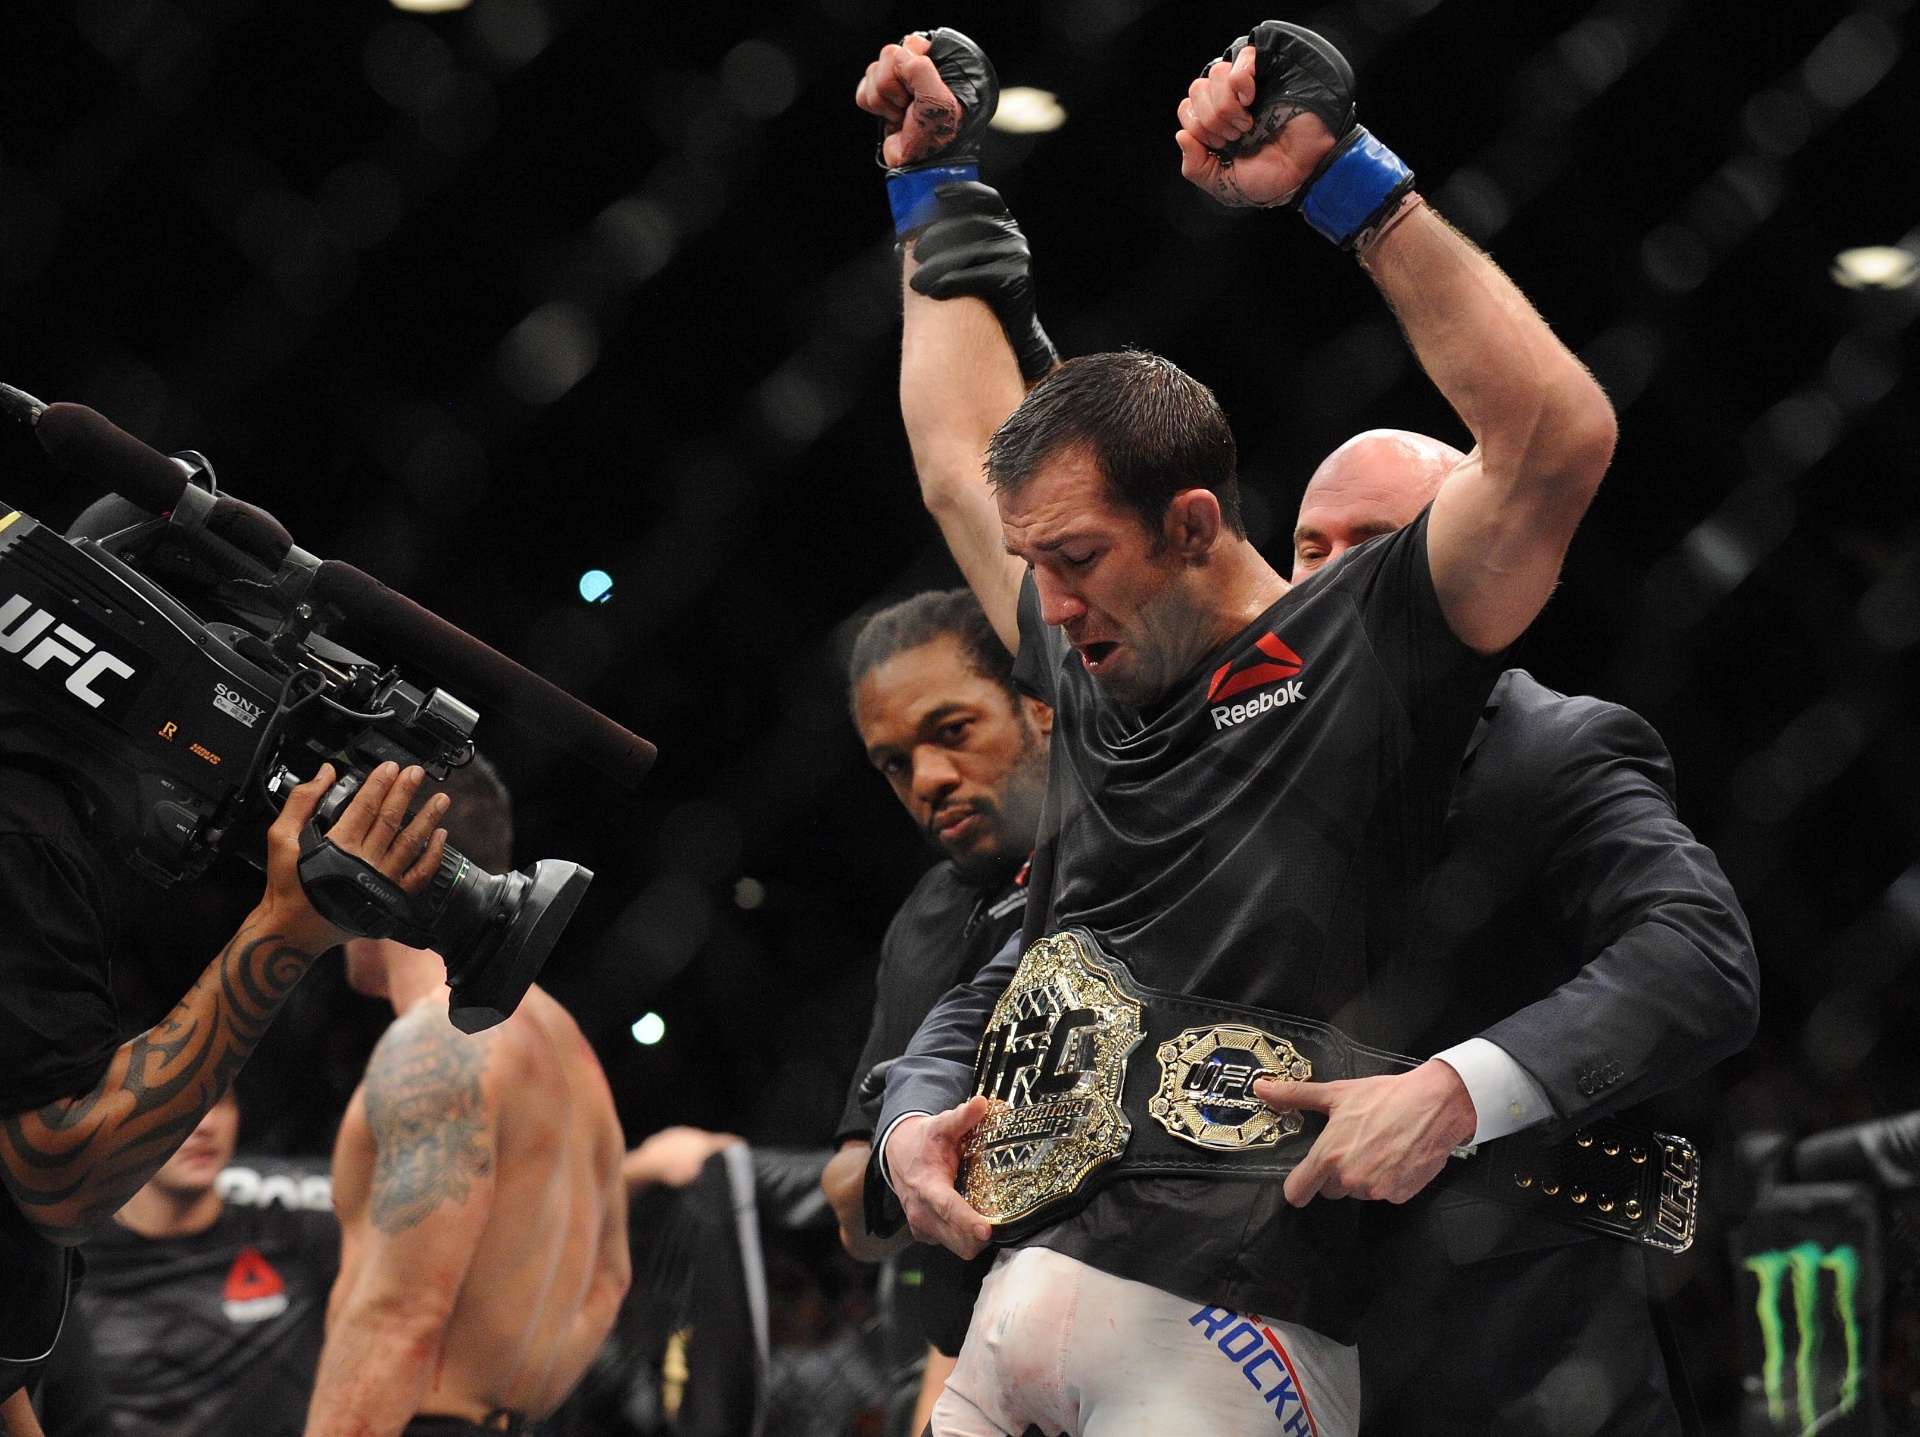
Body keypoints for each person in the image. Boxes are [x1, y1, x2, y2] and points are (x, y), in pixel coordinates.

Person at [855, 21, 1621, 1435]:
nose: (1047, 600)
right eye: (1040, 566)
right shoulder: (1087, 653)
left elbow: (1557, 439)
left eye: (1078, 558)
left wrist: (1353, 189)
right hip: (1022, 1293)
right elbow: (962, 462)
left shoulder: (1368, 642)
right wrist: (936, 188)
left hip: (1238, 1324)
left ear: (1194, 523)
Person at [1293, 431, 1759, 1433]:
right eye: (1309, 548)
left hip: (1518, 1345)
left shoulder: (1549, 748)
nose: (1329, 579)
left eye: (1371, 541)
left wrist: (1456, 1091)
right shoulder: (1244, 772)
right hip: (1270, 1329)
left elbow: (1696, 956)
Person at [0, 713, 452, 1437]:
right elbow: (65, 1179)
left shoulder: (283, 1222)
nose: (204, 1119)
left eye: (217, 1099)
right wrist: (288, 925)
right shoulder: (22, 826)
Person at [305, 756, 629, 1437]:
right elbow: (608, 1281)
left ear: (392, 858)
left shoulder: (439, 1041)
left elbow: (401, 1314)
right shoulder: (571, 1048)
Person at [818, 589, 1051, 1435]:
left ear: (1040, 704)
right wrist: (911, 1161)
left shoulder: (1136, 838)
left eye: (952, 730)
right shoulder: (925, 918)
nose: (927, 780)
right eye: (892, 763)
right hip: (987, 1357)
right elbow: (850, 1197)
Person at [65, 1091, 338, 1437]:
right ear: (119, 1124)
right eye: (175, 1104)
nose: (205, 1124)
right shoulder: (67, 1267)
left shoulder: (299, 1239)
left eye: (219, 1102)